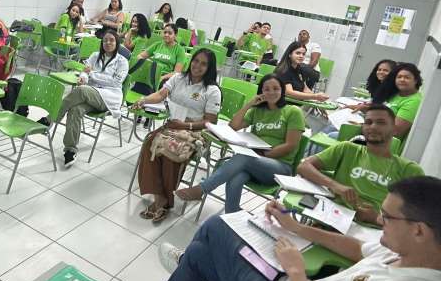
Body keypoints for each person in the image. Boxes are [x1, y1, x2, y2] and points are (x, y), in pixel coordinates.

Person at [150, 176, 441, 281]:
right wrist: (295, 227)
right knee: (199, 255)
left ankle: (182, 267)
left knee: (216, 227)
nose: (378, 220)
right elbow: (357, 248)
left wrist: (297, 272)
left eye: (387, 217)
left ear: (419, 230)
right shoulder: (405, 252)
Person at [176, 74, 305, 212]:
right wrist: (249, 104)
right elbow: (233, 126)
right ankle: (232, 214)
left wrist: (263, 155)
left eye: (276, 88)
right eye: (266, 89)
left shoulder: (293, 112)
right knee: (236, 177)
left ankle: (202, 189)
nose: (271, 92)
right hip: (253, 164)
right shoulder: (257, 111)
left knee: (244, 157)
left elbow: (290, 145)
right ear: (261, 92)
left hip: (280, 168)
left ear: (282, 90)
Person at [134, 49, 221, 223]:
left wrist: (186, 126)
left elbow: (210, 121)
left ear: (209, 68)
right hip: (174, 125)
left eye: (203, 64)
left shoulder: (212, 90)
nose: (197, 66)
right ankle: (160, 197)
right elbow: (161, 95)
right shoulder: (178, 78)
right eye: (196, 61)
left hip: (195, 131)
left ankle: (164, 203)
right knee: (150, 143)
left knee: (171, 151)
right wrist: (143, 100)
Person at [298, 104, 424, 224]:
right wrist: (335, 185)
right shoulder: (347, 149)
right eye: (368, 122)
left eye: (381, 122)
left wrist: (377, 218)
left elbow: (420, 219)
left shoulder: (409, 169)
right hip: (335, 218)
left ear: (394, 129)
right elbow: (303, 166)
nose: (373, 127)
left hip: (378, 231)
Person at [41, 30, 128, 167]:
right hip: (91, 94)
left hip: (109, 97)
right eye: (105, 40)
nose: (108, 43)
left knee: (81, 90)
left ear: (117, 43)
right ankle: (70, 150)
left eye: (111, 40)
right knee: (75, 110)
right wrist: (83, 78)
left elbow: (116, 82)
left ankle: (50, 118)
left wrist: (92, 74)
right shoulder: (95, 56)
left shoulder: (122, 61)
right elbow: (85, 71)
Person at [369, 63, 422, 141]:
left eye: (407, 77)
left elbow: (396, 131)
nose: (402, 80)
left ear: (416, 80)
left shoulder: (414, 101)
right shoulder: (397, 94)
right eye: (399, 77)